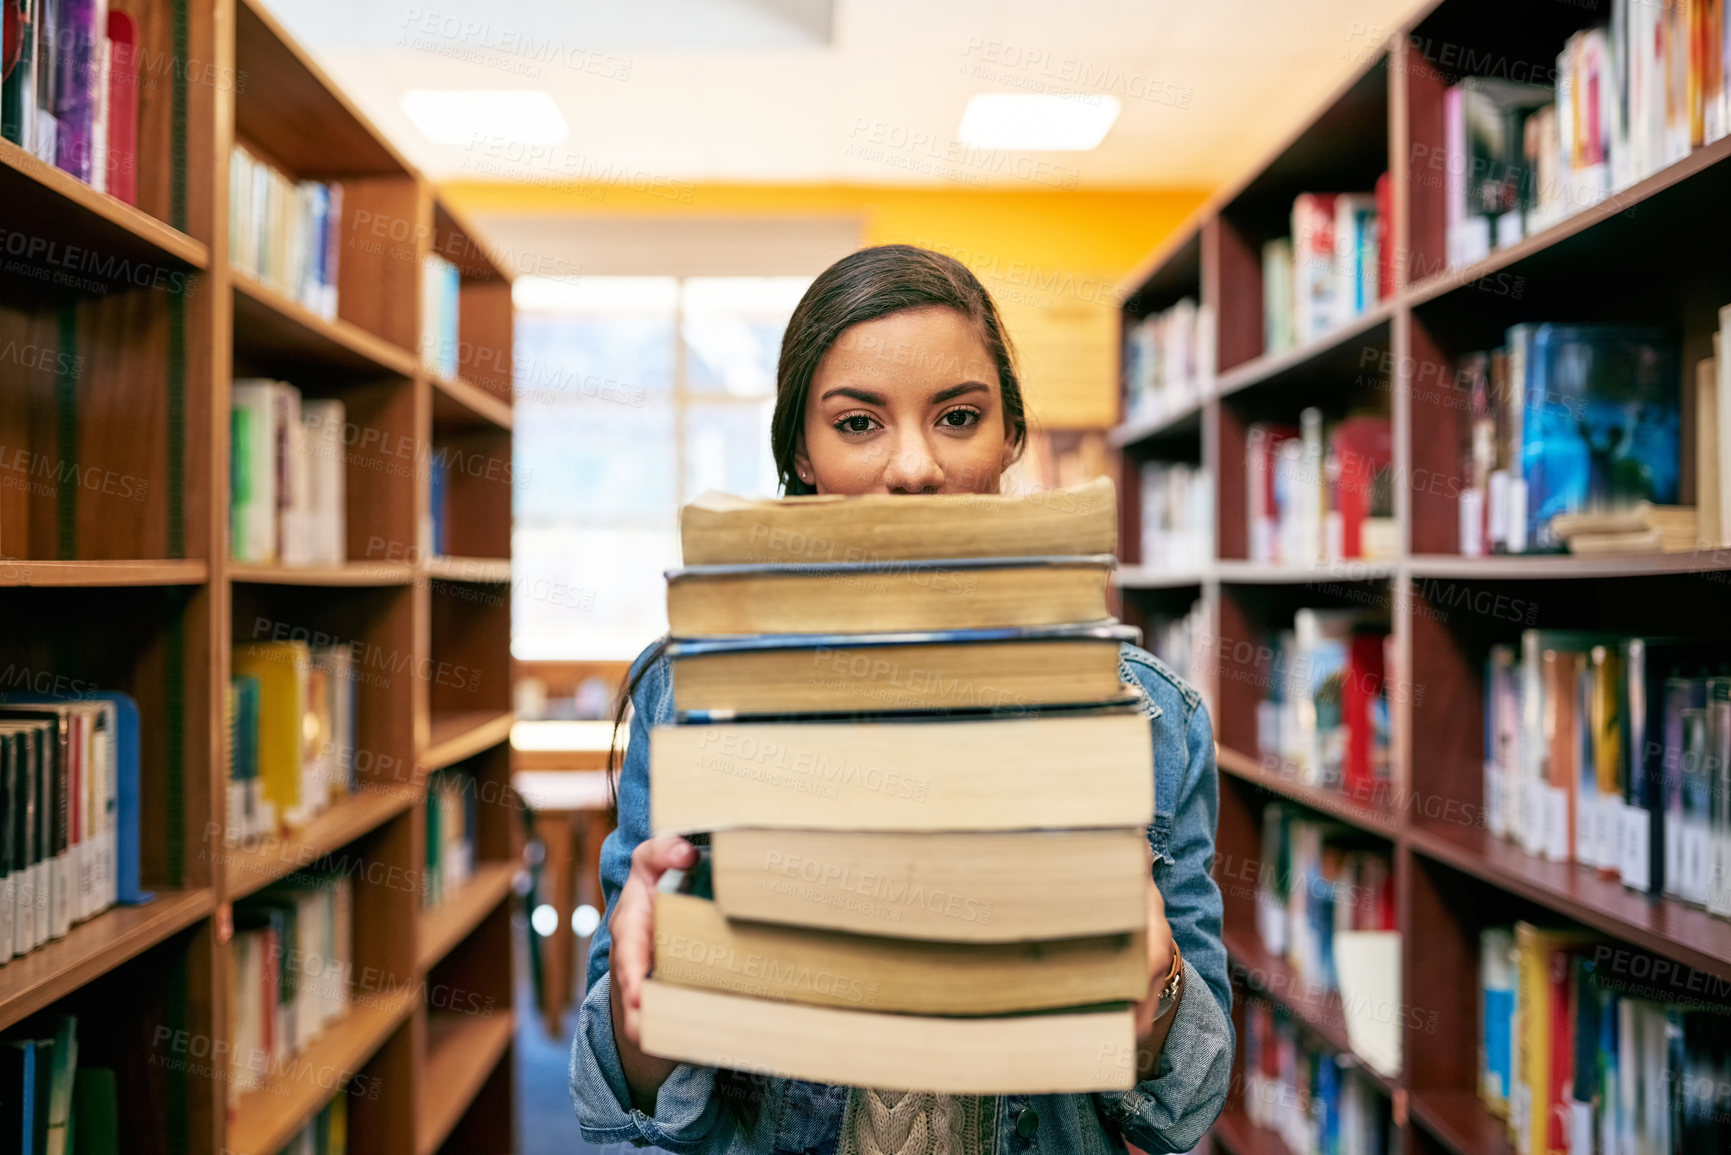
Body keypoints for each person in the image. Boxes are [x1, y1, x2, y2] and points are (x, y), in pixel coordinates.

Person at [571, 244, 1233, 1155]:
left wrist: (1155, 998)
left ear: (1010, 438)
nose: (915, 467)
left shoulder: (1148, 723)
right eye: (857, 424)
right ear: (800, 451)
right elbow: (618, 1100)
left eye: (958, 415)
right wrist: (643, 1018)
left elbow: (1188, 1106)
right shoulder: (697, 698)